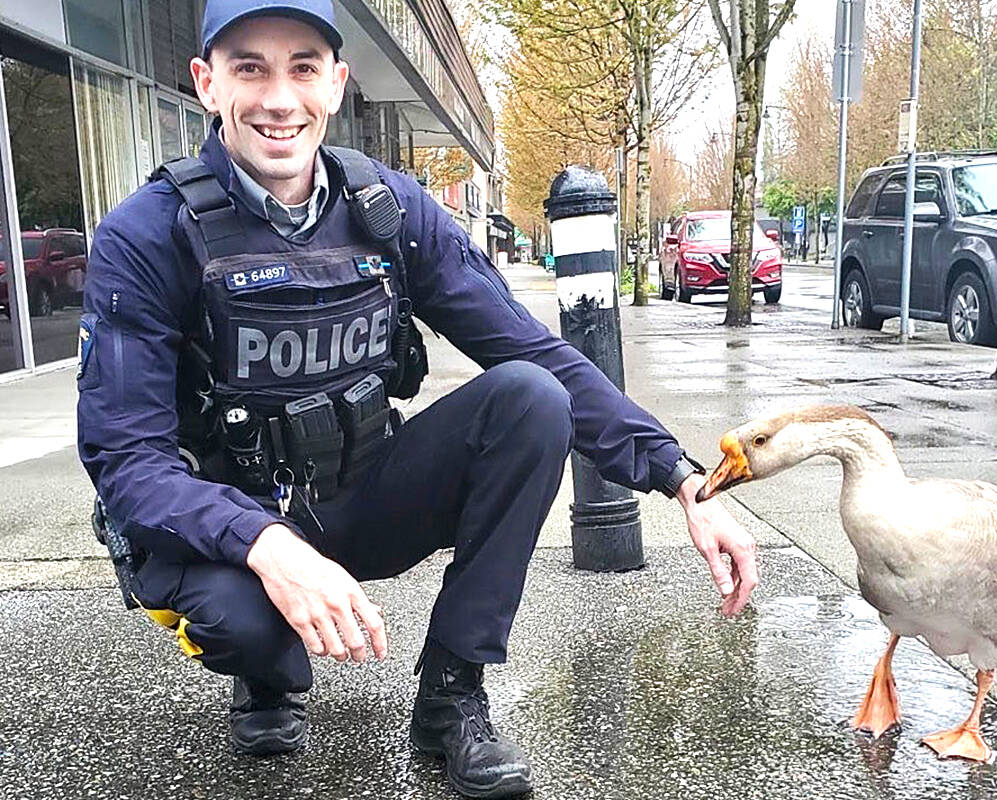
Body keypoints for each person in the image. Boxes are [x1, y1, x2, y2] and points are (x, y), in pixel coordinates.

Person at [76, 2, 757, 797]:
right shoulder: (147, 234)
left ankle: (452, 695)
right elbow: (127, 462)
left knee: (529, 399)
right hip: (231, 530)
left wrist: (682, 478)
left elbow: (532, 350)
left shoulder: (388, 210)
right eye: (249, 67)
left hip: (357, 495)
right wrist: (266, 544)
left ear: (336, 81)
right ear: (206, 82)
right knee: (251, 629)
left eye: (301, 67)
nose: (278, 98)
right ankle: (263, 675)